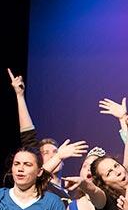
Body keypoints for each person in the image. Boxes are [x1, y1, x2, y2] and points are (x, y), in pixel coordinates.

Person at [8, 68, 88, 201]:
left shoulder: (73, 190)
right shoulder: (36, 186)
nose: (52, 155)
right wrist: (20, 96)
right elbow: (28, 134)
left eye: (55, 151)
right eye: (45, 153)